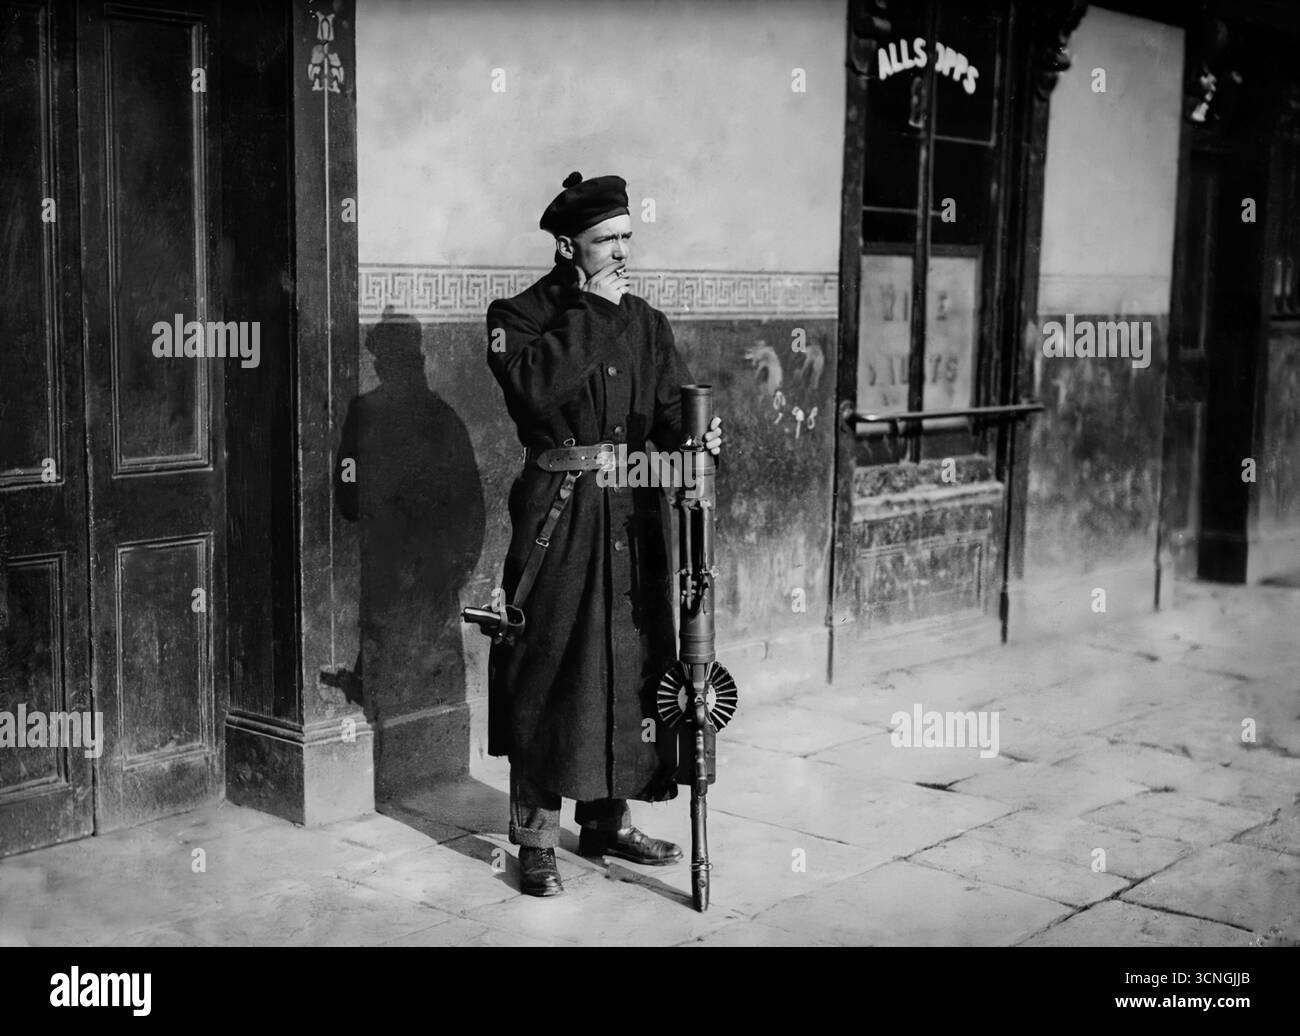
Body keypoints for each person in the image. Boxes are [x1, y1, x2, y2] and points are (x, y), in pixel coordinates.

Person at [485, 171, 722, 896]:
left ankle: (606, 817)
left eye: (626, 238)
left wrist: (699, 434)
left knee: (628, 665)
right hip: (560, 513)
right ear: (567, 246)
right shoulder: (516, 315)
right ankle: (534, 842)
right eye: (604, 241)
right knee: (549, 666)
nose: (620, 252)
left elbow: (664, 409)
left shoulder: (646, 321)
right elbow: (531, 389)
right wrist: (589, 310)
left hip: (633, 512)